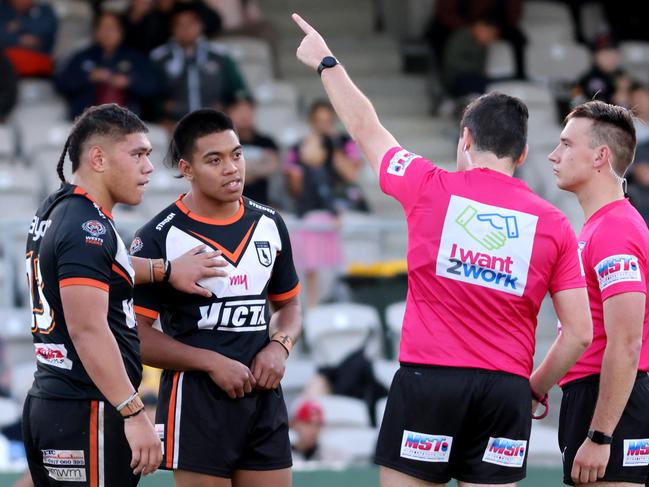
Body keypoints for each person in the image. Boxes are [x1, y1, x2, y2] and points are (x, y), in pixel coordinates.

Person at [293, 13, 593, 487]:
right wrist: (530, 388)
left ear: (466, 139)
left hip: (429, 384)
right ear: (521, 155)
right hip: (505, 393)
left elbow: (367, 128)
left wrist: (326, 61)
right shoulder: (555, 222)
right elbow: (578, 333)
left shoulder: (429, 186)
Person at [21, 103, 227, 486]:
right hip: (88, 409)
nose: (149, 167)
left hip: (57, 401)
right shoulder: (87, 227)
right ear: (98, 158)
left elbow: (99, 272)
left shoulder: (59, 208)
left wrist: (165, 269)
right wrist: (134, 412)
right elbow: (88, 331)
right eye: (137, 154)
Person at [131, 108, 302, 487]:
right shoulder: (158, 235)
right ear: (186, 169)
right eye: (215, 159)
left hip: (263, 401)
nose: (232, 168)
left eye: (237, 155)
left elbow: (289, 306)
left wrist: (279, 347)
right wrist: (210, 362)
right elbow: (135, 335)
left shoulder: (270, 224)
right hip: (196, 405)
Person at [548, 101, 649, 486]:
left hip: (608, 402)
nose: (554, 155)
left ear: (600, 157)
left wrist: (601, 434)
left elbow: (626, 342)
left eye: (567, 144)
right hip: (593, 396)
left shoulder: (615, 230)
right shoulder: (599, 227)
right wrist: (536, 388)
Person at [286, 100, 367, 308]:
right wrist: (310, 160)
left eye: (327, 121)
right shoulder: (299, 148)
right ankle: (313, 311)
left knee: (341, 269)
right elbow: (295, 189)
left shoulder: (342, 142)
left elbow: (351, 174)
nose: (323, 125)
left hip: (344, 209)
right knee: (311, 266)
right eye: (319, 121)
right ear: (311, 122)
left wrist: (333, 148)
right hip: (312, 211)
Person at [150, 2, 248, 126]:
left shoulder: (220, 56)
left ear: (201, 25)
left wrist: (229, 107)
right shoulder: (159, 57)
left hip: (214, 124)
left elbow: (238, 90)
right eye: (179, 24)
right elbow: (150, 96)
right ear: (172, 28)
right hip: (174, 125)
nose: (185, 29)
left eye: (191, 23)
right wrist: (161, 113)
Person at [55, 11, 159, 120]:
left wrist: (129, 82)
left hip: (127, 124)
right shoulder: (83, 56)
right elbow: (61, 82)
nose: (107, 33)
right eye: (102, 27)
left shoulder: (135, 58)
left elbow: (152, 86)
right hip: (87, 123)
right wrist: (89, 77)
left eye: (111, 28)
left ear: (122, 31)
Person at [225, 94, 280, 206]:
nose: (244, 115)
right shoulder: (223, 142)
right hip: (229, 203)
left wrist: (240, 171)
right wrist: (257, 166)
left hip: (260, 202)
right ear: (229, 113)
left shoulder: (266, 142)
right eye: (239, 110)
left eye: (248, 110)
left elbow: (272, 167)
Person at [0, 0, 57, 77]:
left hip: (37, 73)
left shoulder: (44, 10)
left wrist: (18, 25)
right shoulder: (3, 10)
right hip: (5, 70)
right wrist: (18, 39)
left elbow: (44, 31)